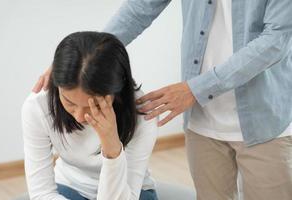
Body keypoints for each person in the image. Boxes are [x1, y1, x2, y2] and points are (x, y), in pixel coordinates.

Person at [32, 0, 292, 199]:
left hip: (264, 118)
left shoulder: (141, 119)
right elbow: (140, 8)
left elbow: (275, 41)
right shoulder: (36, 109)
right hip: (202, 120)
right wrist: (84, 63)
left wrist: (196, 89)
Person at [22, 31, 159, 200]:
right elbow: (42, 193)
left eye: (90, 105)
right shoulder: (38, 106)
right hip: (71, 187)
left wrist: (112, 146)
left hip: (128, 193)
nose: (79, 117)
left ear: (115, 92)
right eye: (69, 102)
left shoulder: (143, 113)